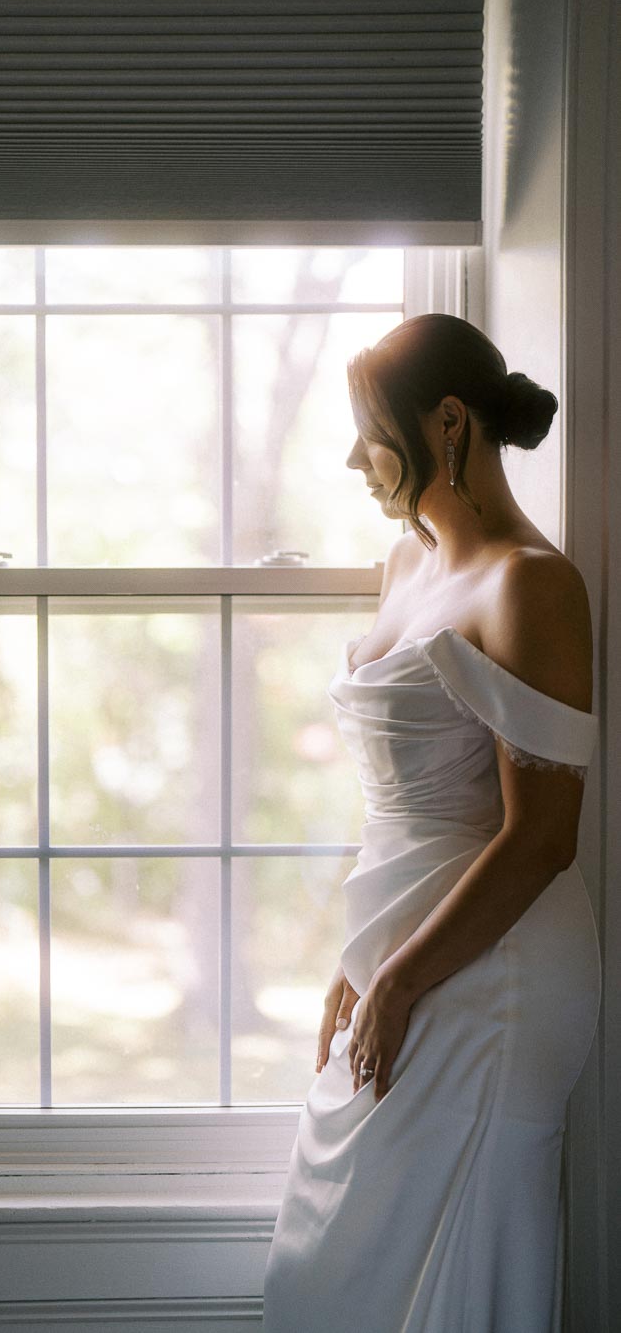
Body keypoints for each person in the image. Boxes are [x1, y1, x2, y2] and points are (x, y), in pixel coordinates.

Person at [262, 314, 601, 1332]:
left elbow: (543, 837)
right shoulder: (405, 565)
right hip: (402, 943)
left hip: (497, 969)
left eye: (371, 434)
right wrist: (365, 960)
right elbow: (398, 810)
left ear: (448, 423)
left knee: (453, 1262)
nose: (353, 460)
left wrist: (402, 978)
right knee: (332, 1263)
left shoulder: (532, 584)